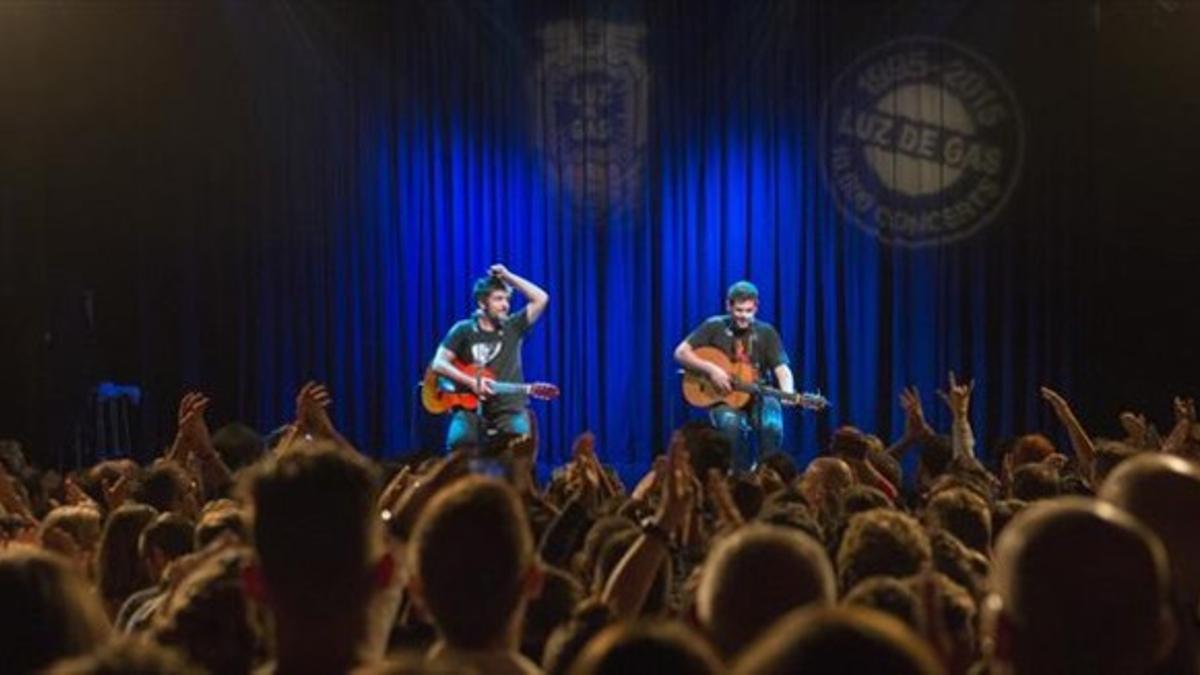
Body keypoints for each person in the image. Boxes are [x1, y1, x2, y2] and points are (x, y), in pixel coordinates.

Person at [674, 281, 795, 470]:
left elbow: (782, 370)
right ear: (728, 306)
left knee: (772, 424)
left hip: (758, 394)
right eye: (738, 310)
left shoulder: (766, 332)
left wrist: (788, 391)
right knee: (732, 430)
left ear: (756, 307)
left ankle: (766, 474)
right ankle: (739, 479)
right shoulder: (714, 326)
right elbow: (680, 353)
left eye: (748, 311)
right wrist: (711, 370)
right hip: (724, 397)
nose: (743, 317)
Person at [431, 264, 549, 451]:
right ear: (482, 303)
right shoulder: (463, 330)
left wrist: (508, 276)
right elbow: (438, 363)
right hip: (469, 409)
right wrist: (470, 382)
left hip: (509, 409)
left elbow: (541, 298)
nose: (506, 305)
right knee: (458, 445)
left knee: (520, 450)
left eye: (507, 299)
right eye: (498, 299)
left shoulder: (513, 326)